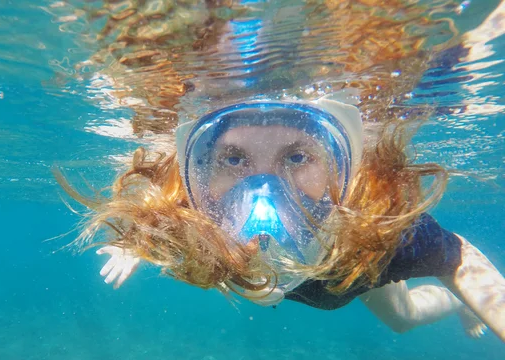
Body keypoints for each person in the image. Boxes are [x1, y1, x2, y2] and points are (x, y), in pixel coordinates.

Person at [55, 1, 505, 342]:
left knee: (403, 318)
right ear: (199, 171)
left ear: (342, 168)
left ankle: (453, 304)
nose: (263, 197)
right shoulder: (195, 214)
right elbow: (163, 209)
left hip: (347, 269)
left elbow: (459, 256)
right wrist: (142, 242)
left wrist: (481, 301)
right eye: (233, 159)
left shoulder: (374, 230)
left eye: (297, 157)